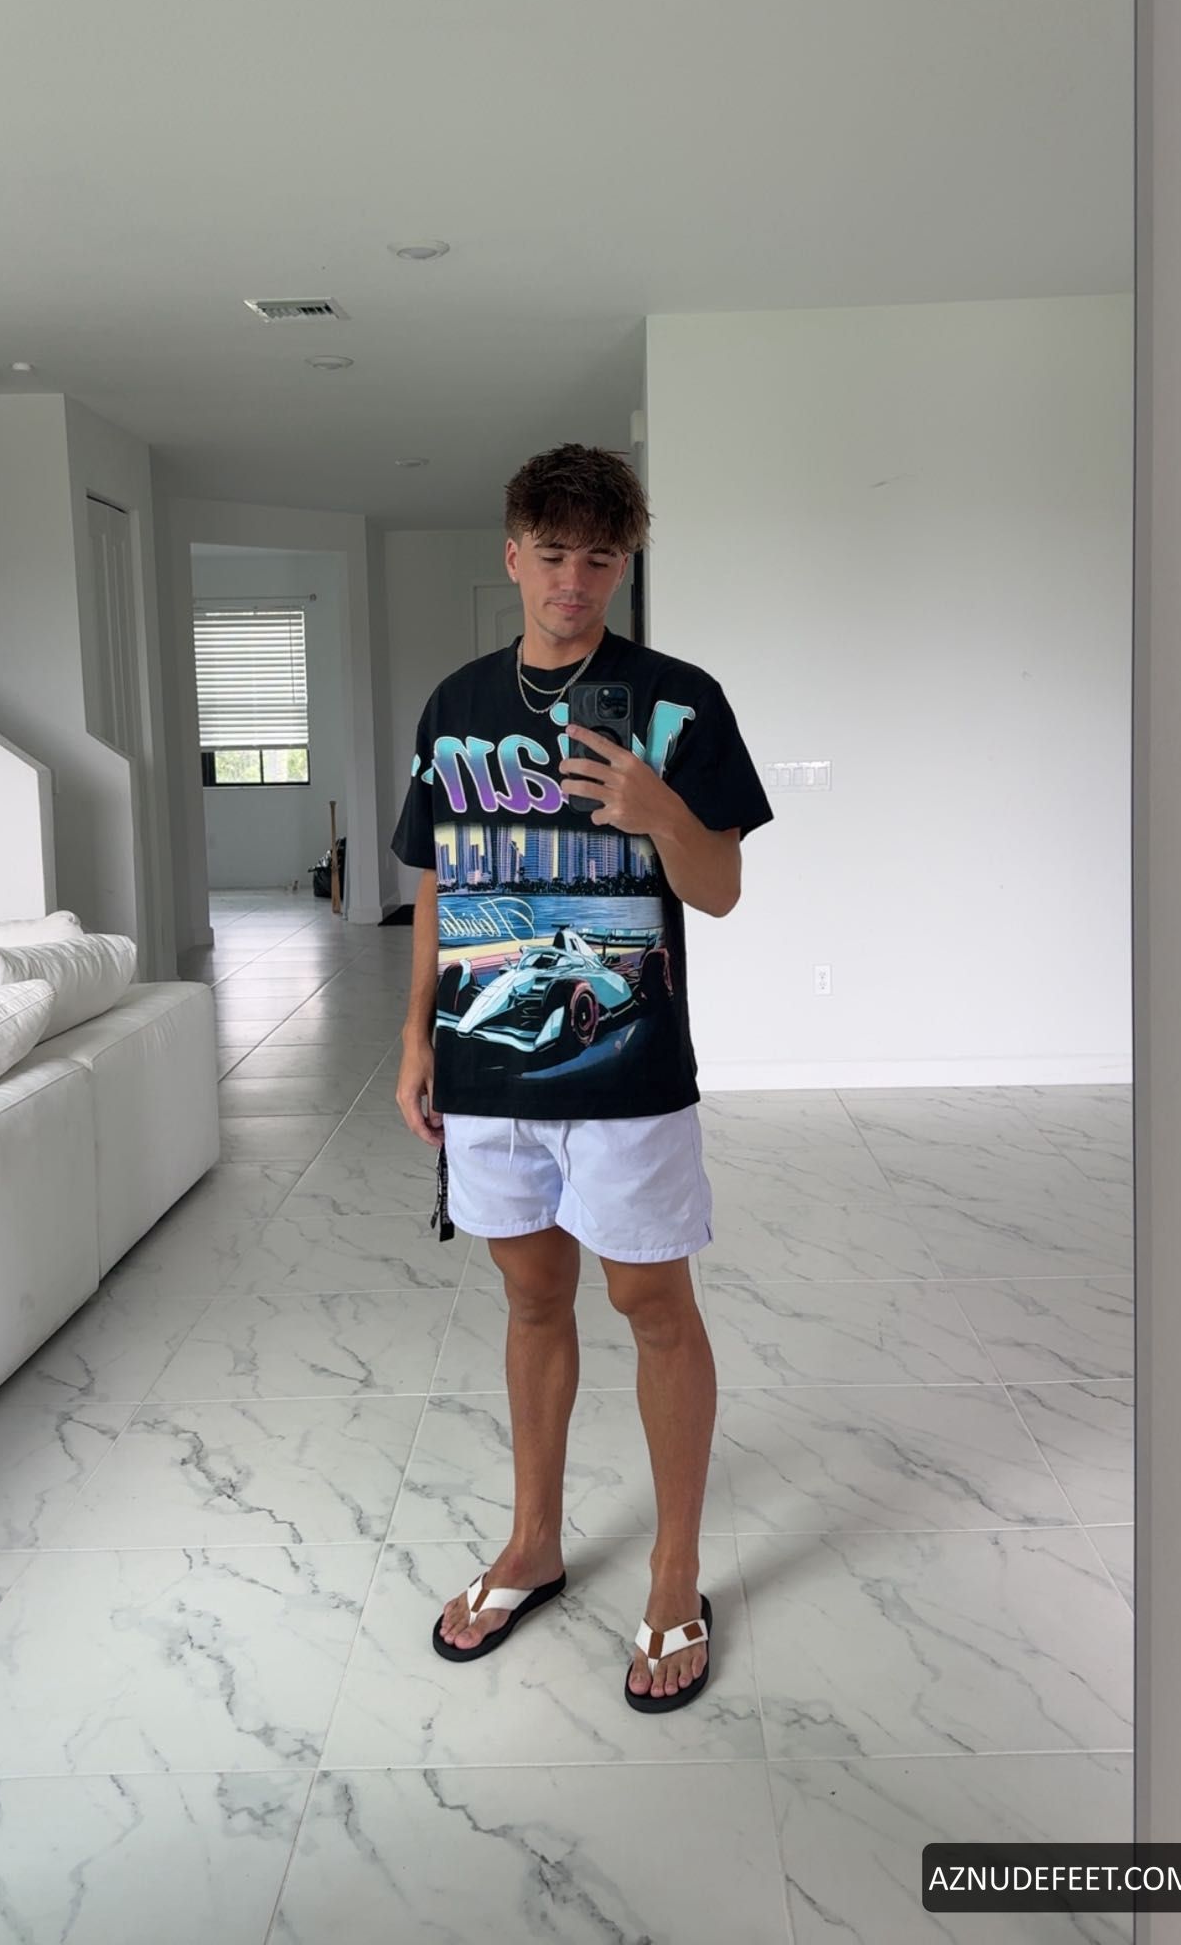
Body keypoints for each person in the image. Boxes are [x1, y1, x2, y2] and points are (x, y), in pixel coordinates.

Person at [392, 442, 773, 1713]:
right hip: (487, 1077)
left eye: (600, 557)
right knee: (530, 1299)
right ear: (512, 555)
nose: (573, 580)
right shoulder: (455, 705)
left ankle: (674, 1573)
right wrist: (415, 1039)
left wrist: (659, 809)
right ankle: (535, 1543)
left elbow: (719, 891)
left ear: (624, 565)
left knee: (652, 1303)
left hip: (630, 1074)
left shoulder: (679, 700)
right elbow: (440, 878)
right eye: (551, 553)